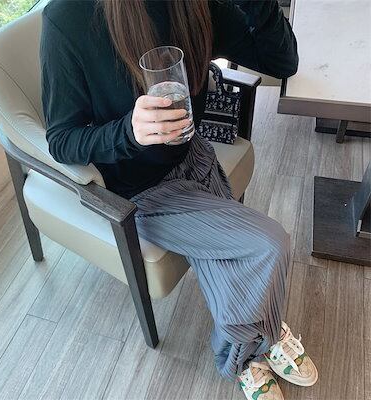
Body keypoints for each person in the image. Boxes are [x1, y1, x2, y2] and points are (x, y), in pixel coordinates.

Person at [40, 1, 318, 399]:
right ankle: (256, 342)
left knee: (229, 261)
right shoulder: (68, 18)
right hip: (140, 193)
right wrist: (129, 131)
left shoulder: (194, 5)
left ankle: (251, 347)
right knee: (269, 244)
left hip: (194, 155)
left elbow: (282, 63)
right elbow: (61, 140)